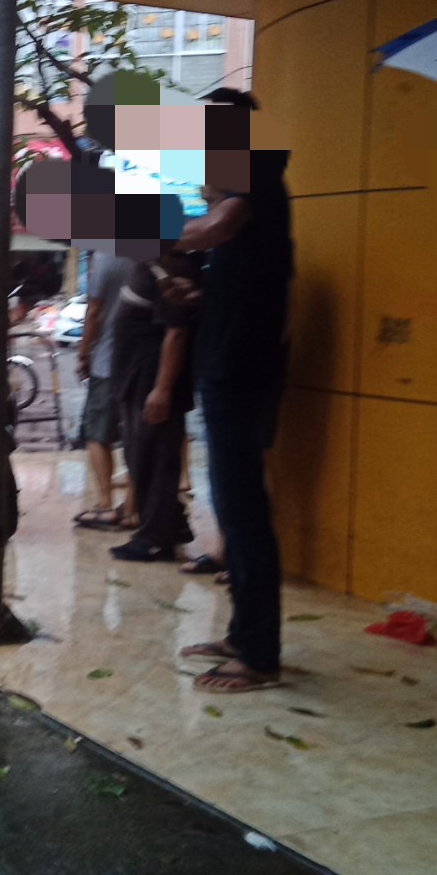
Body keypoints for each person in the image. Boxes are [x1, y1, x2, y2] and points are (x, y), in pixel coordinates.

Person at [162, 89, 294, 694]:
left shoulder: (257, 177)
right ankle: (244, 635)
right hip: (225, 366)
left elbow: (215, 228)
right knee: (233, 509)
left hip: (241, 371)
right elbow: (243, 274)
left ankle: (260, 656)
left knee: (244, 512)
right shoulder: (242, 188)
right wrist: (200, 294)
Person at [108, 250, 202, 562]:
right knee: (139, 456)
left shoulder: (174, 267)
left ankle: (155, 539)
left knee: (155, 458)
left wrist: (162, 389)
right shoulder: (148, 265)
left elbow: (177, 331)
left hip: (151, 380)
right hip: (136, 377)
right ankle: (172, 523)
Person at [73, 250, 137, 530]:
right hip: (143, 362)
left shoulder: (105, 256)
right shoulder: (156, 251)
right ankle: (132, 508)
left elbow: (95, 312)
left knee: (97, 434)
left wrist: (83, 353)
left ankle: (105, 504)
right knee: (136, 436)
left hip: (108, 361)